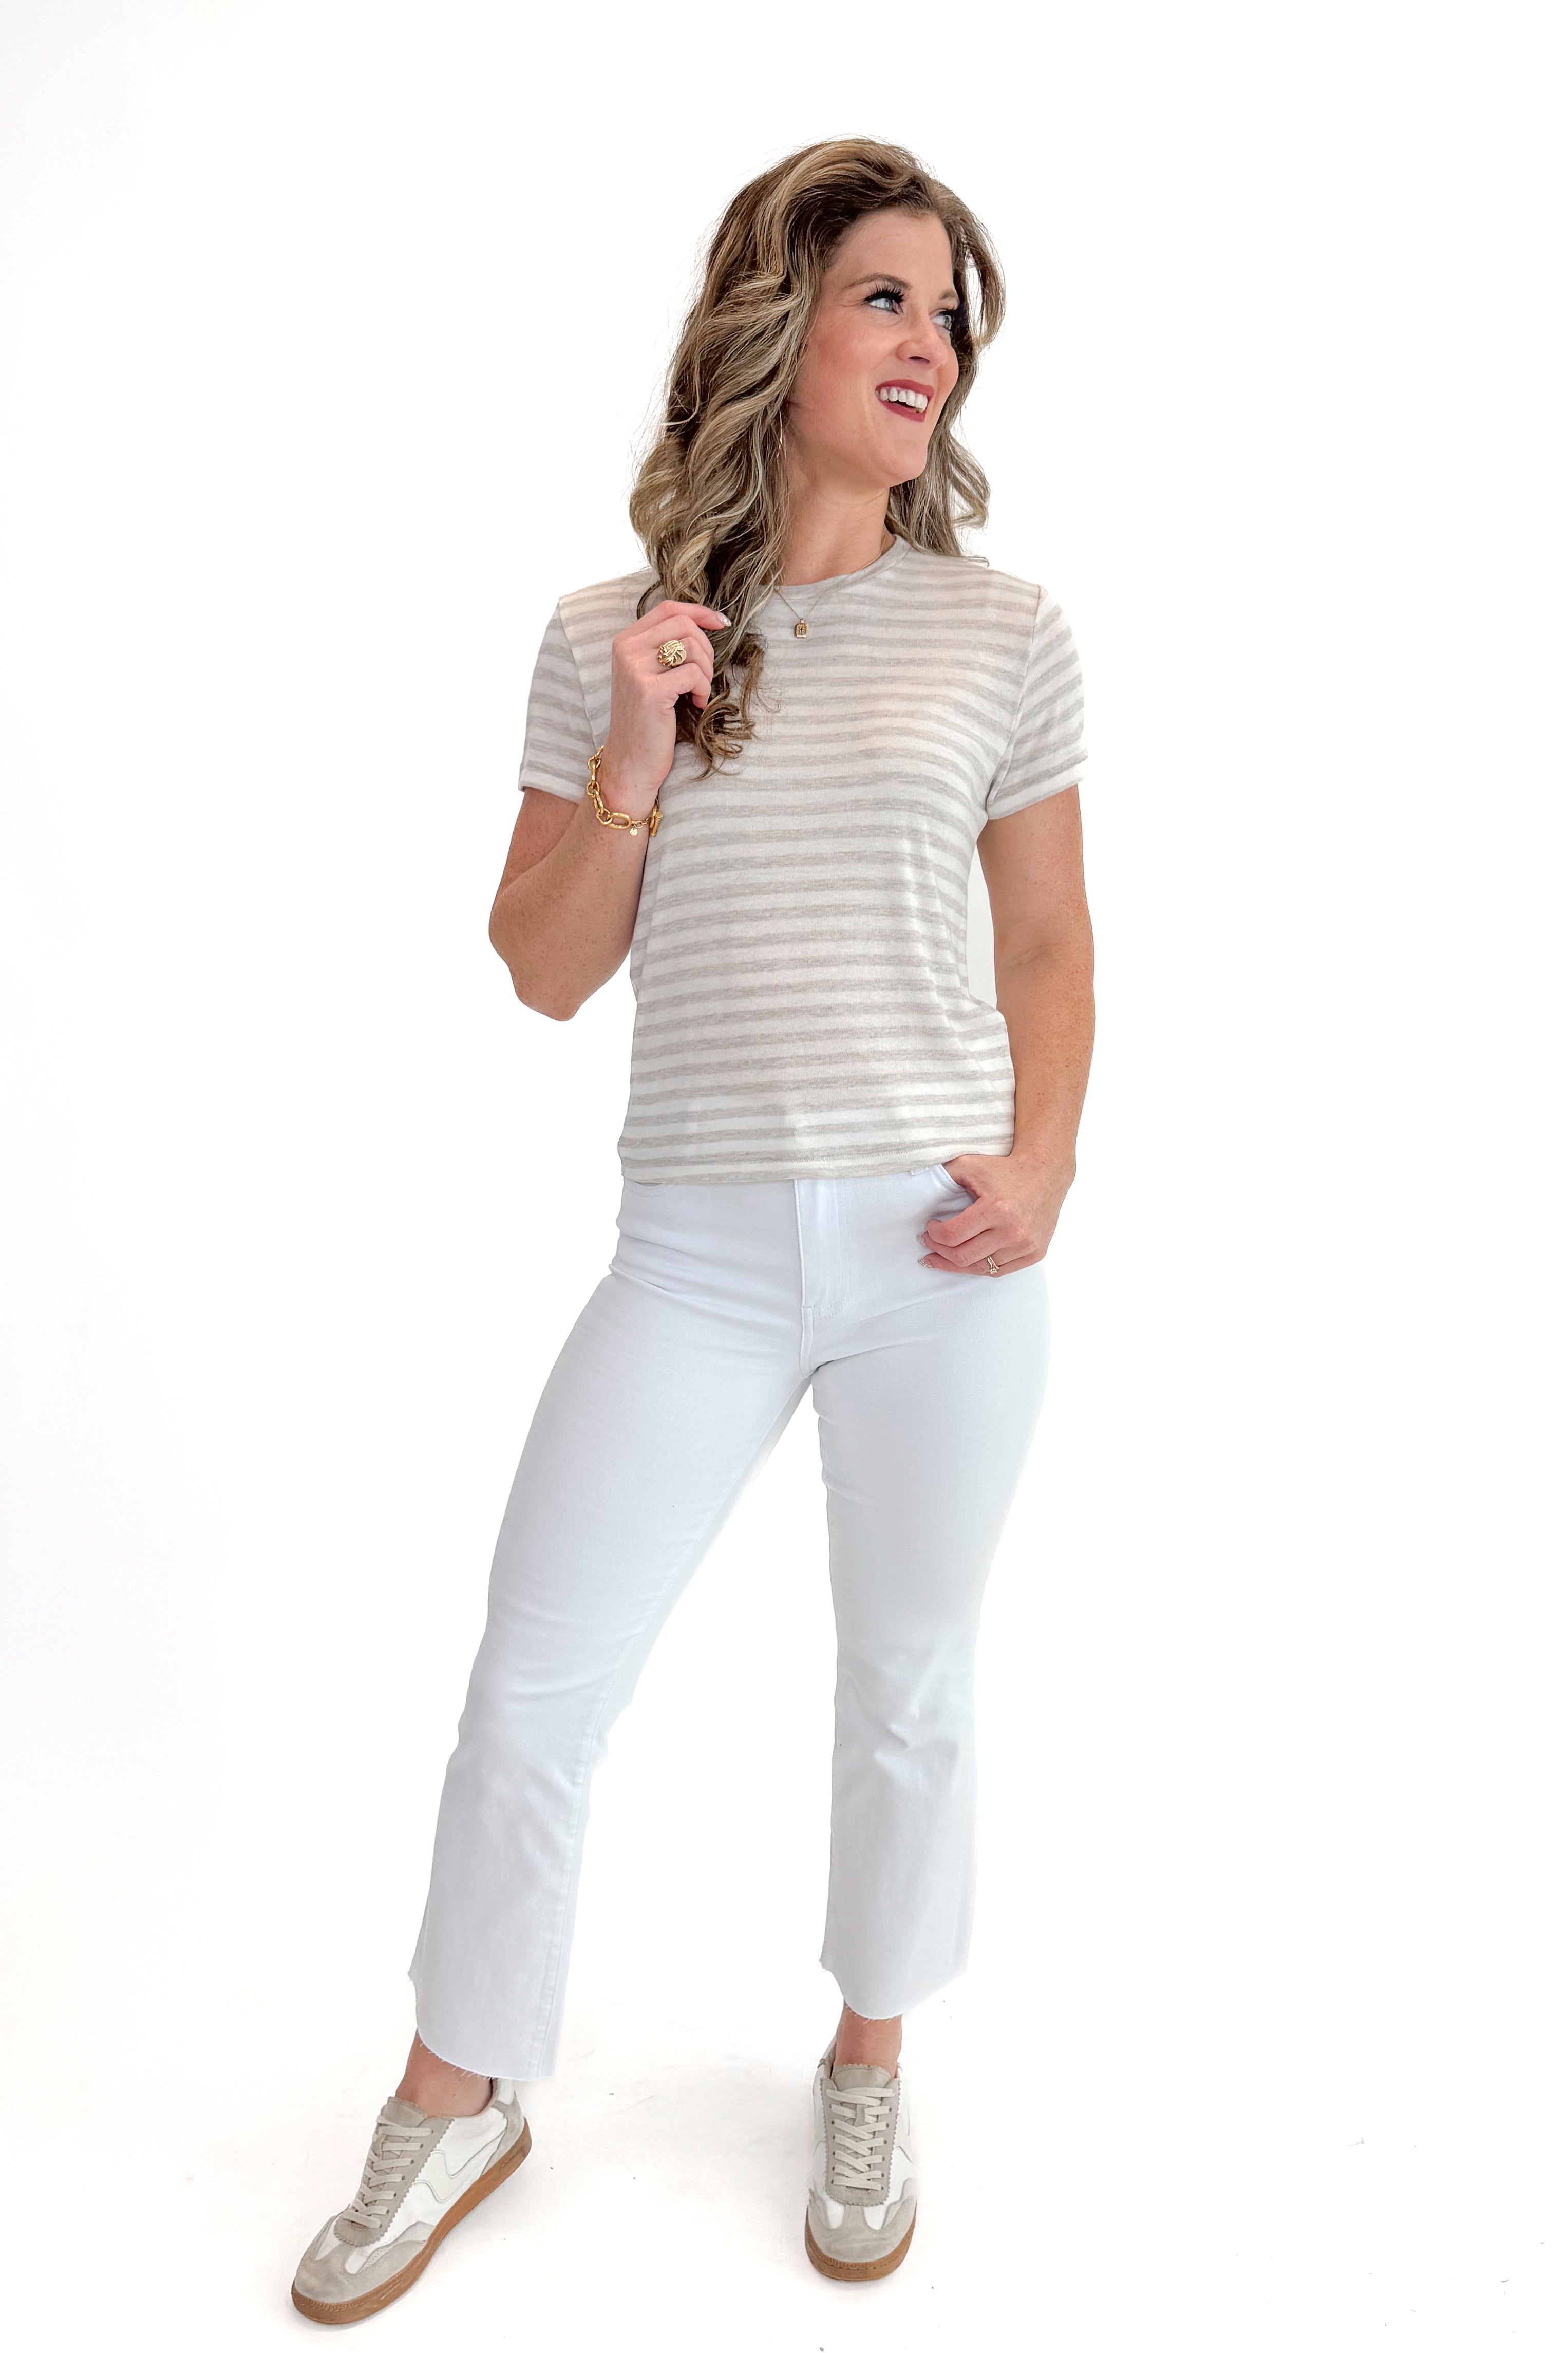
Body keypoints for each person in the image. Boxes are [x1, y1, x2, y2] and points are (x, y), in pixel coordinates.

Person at [291, 134, 1093, 2323]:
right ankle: (460, 2086)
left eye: (950, 312)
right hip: (698, 1250)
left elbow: (1047, 939)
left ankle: (867, 2058)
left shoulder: (1002, 629)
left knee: (908, 1679)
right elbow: (543, 969)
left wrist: (1043, 1161)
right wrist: (639, 745)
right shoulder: (606, 637)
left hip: (936, 1249)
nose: (931, 343)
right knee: (533, 1678)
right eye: (887, 296)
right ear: (776, 322)